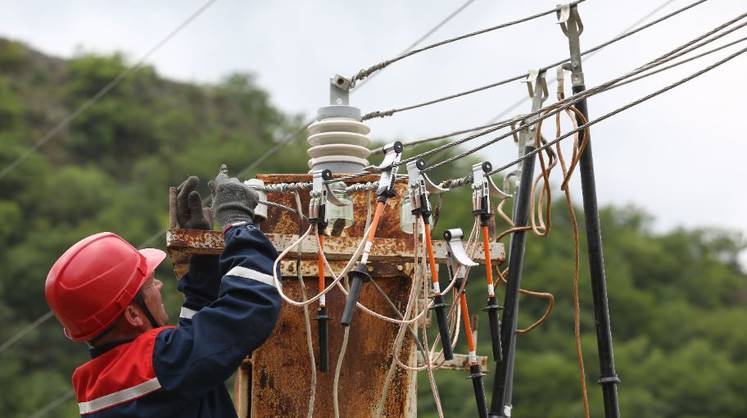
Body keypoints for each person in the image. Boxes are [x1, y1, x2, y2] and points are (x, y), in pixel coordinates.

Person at [44, 168, 280, 417]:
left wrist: (201, 263)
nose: (160, 286)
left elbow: (194, 349)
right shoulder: (161, 365)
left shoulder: (106, 382)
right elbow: (251, 306)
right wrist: (238, 223)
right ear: (133, 315)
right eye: (149, 284)